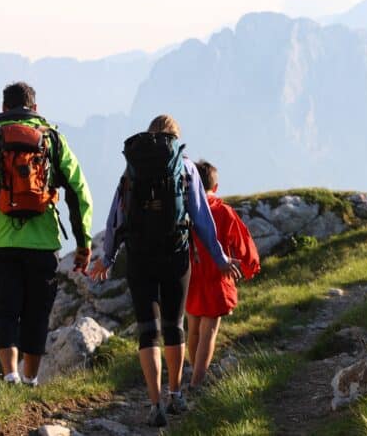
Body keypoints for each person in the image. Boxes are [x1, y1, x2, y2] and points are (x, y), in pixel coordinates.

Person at [89, 115, 242, 427]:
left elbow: (117, 217)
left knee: (148, 330)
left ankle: (154, 403)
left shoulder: (132, 169)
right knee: (174, 326)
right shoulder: (185, 168)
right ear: (175, 139)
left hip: (139, 257)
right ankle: (175, 394)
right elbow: (202, 219)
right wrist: (220, 258)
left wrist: (108, 257)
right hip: (175, 256)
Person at [0, 82, 93, 387]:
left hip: (1, 241)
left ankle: (10, 376)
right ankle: (31, 379)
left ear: (4, 108)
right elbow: (79, 190)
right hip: (43, 242)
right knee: (37, 312)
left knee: (3, 309)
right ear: (35, 108)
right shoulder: (52, 140)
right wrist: (83, 243)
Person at [186, 161, 260, 389]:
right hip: (217, 277)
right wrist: (249, 266)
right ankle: (197, 382)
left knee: (193, 330)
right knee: (208, 333)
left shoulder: (185, 212)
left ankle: (194, 373)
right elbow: (243, 241)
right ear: (215, 187)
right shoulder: (224, 211)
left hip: (190, 278)